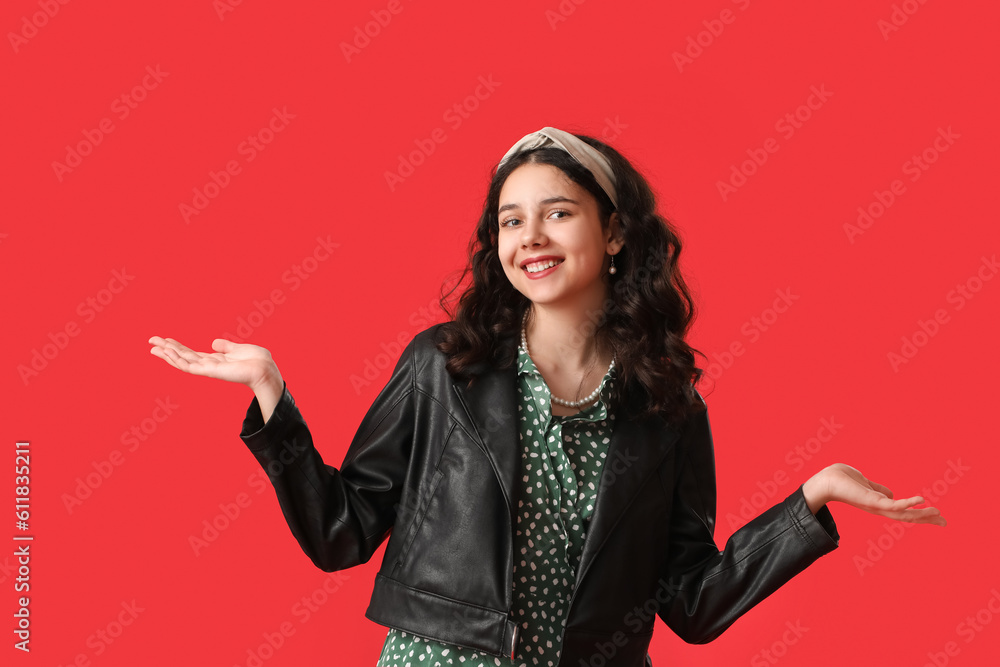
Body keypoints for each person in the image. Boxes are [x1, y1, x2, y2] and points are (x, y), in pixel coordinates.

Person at [148, 127, 946, 667]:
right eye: (510, 221)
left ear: (615, 233)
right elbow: (340, 533)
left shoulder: (667, 407)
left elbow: (693, 603)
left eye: (557, 213)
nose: (529, 237)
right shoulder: (443, 369)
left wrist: (810, 501)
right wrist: (271, 399)